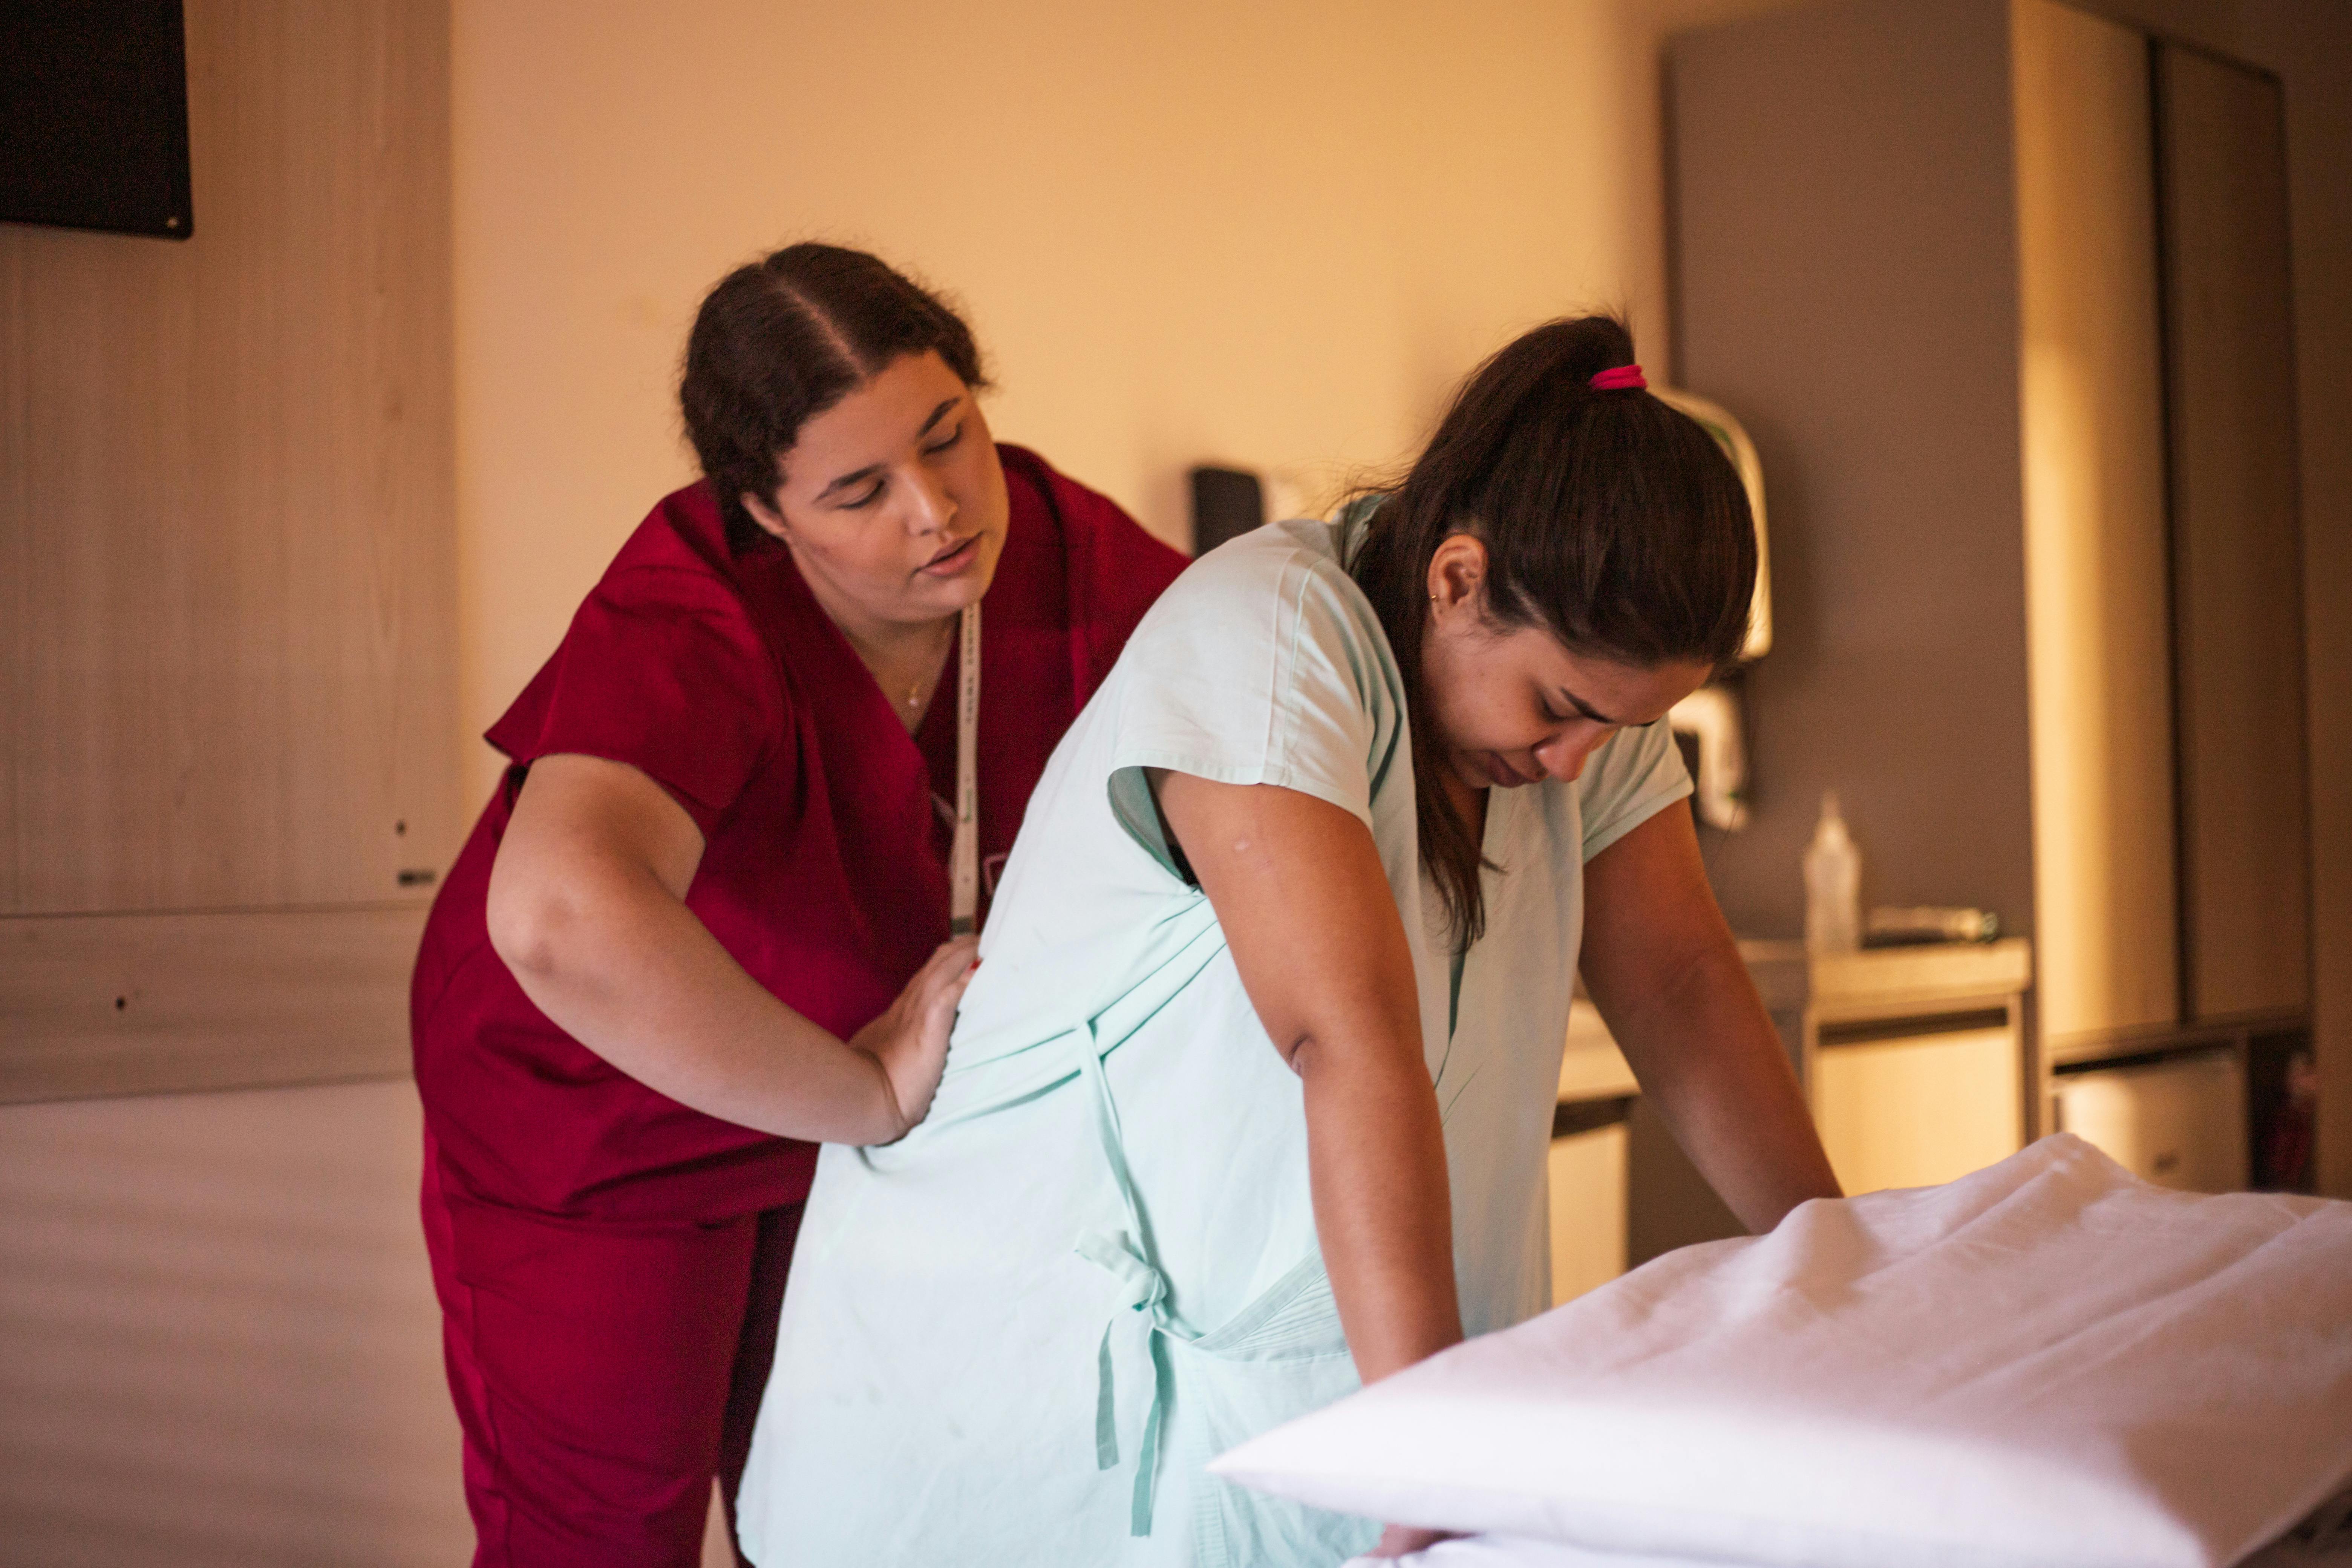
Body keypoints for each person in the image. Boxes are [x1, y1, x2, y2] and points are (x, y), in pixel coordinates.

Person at [733, 316, 1844, 1565]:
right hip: (998, 1387)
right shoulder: (1266, 639)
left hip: (1290, 1387)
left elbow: (1682, 984)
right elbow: (1344, 1034)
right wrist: (1422, 1435)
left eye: (1625, 729)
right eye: (1562, 712)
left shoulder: (1577, 687)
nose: (1574, 764)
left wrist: (1851, 1275)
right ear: (1459, 578)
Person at [407, 243, 1186, 1567]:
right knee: (606, 1538)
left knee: (855, 1519)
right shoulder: (698, 607)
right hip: (610, 1123)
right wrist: (865, 1094)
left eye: (950, 437)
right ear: (762, 513)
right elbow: (558, 916)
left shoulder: (1071, 553)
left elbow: (1283, 672)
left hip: (863, 1122)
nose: (938, 511)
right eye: (858, 491)